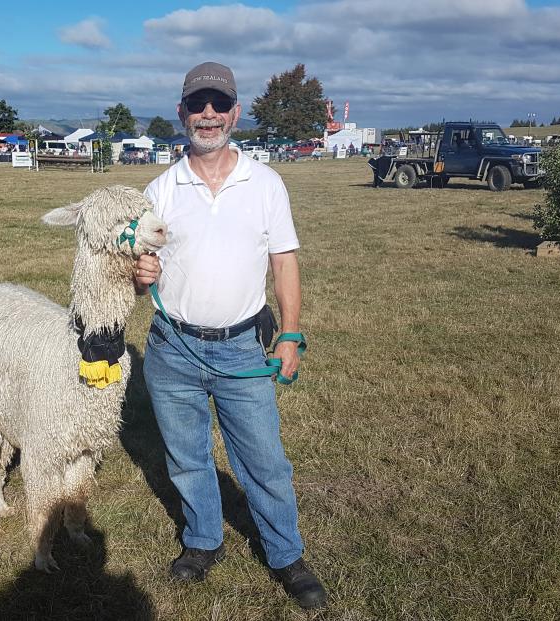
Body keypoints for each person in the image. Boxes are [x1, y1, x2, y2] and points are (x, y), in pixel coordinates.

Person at [133, 61, 327, 610]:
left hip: (243, 347)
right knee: (187, 457)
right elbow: (141, 267)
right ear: (182, 113)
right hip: (172, 349)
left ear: (236, 112)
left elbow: (284, 262)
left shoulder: (264, 183)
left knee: (264, 460)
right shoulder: (159, 188)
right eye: (198, 104)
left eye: (219, 104)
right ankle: (202, 540)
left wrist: (289, 335)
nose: (209, 115)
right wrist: (139, 275)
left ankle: (286, 554)